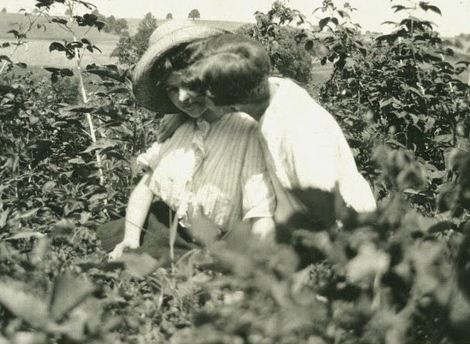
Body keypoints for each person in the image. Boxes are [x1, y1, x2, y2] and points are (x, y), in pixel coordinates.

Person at [108, 22, 276, 260]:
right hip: (157, 229)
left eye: (189, 84)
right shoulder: (179, 127)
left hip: (210, 248)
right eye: (171, 89)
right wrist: (131, 239)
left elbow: (260, 215)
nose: (182, 98)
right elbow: (145, 187)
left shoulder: (246, 130)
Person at [176, 33, 377, 232]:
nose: (183, 98)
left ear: (228, 104)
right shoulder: (273, 88)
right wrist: (179, 116)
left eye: (200, 95)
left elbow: (331, 214)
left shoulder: (292, 135)